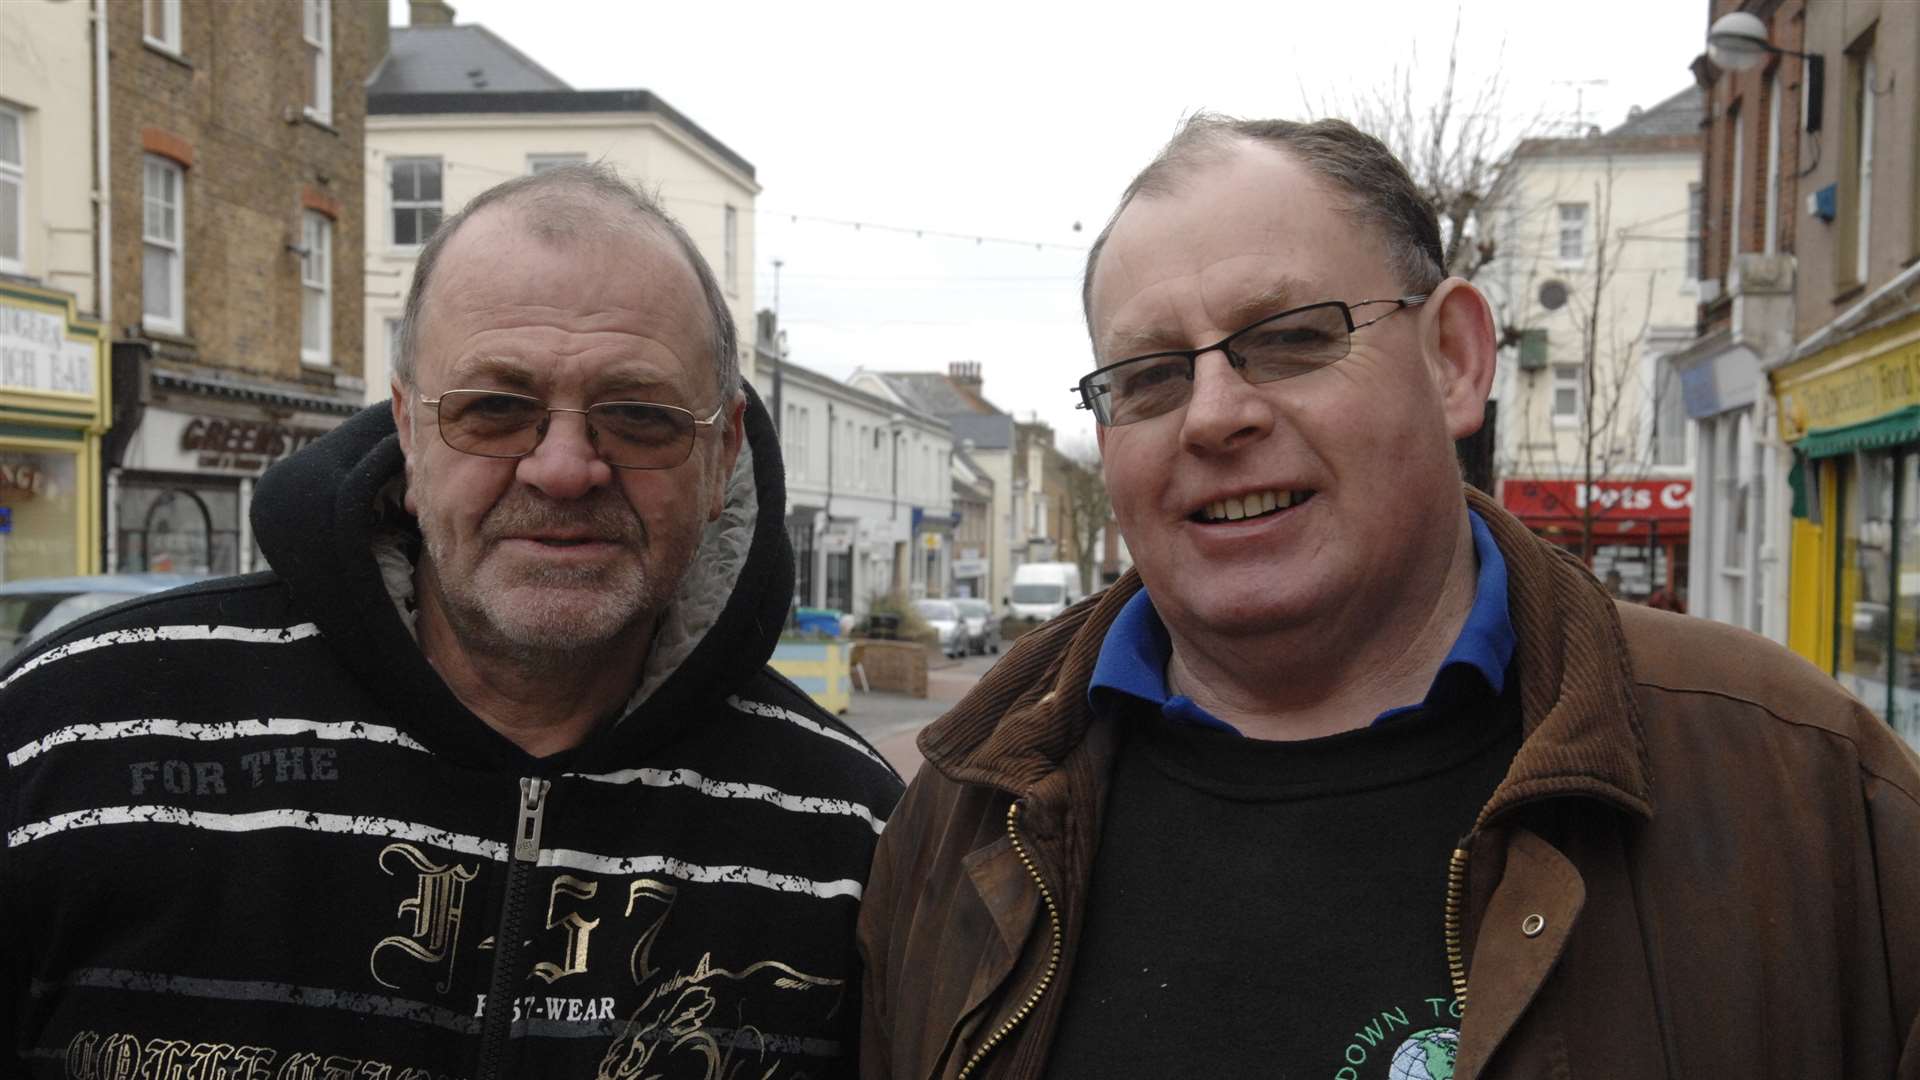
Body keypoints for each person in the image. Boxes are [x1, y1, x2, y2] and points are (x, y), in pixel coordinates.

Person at [857, 117, 1920, 1078]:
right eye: (1148, 375)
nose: (1213, 417)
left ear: (1454, 360)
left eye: (1289, 337)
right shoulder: (956, 822)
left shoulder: (1809, 788)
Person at [1, 165, 901, 1077]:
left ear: (724, 449)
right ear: (407, 423)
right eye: (495, 408)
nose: (562, 468)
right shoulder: (71, 736)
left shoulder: (854, 837)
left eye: (638, 416)